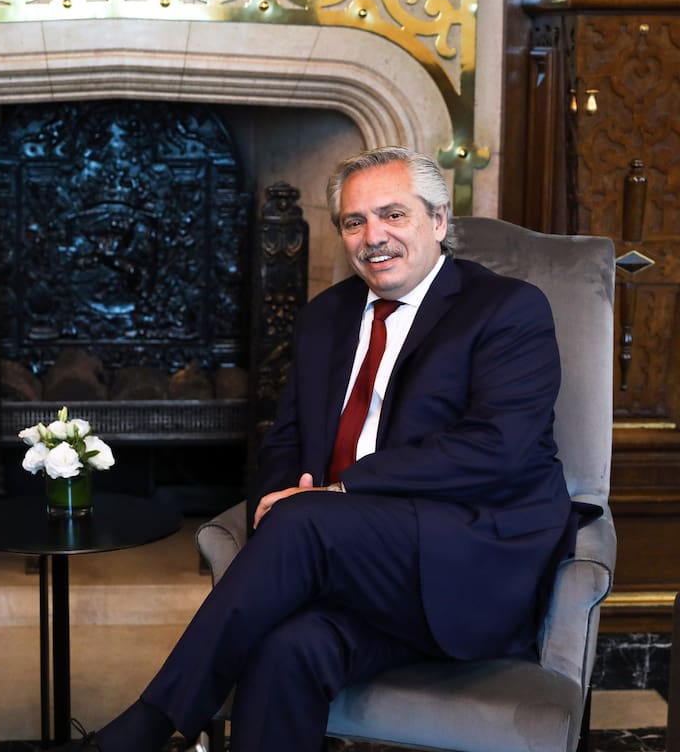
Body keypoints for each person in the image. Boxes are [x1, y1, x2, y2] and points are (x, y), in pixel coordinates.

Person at [57, 146, 589, 751]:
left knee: (303, 521)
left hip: (466, 558)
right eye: (354, 221)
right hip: (350, 569)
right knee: (288, 650)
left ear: (438, 221)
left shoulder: (506, 309)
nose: (373, 237)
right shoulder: (325, 317)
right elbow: (285, 440)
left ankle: (146, 727)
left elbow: (498, 449)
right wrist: (281, 496)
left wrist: (336, 494)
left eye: (393, 215)